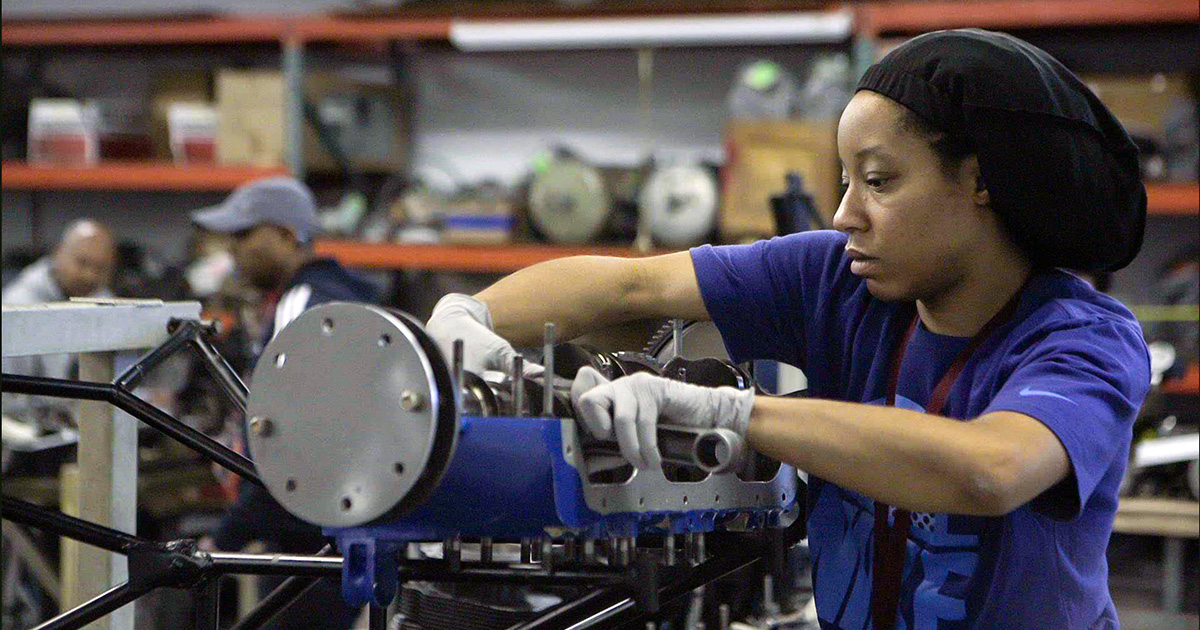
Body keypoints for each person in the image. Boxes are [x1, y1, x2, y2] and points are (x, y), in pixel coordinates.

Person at [425, 30, 1149, 629]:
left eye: (879, 181)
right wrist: (465, 322)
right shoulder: (838, 280)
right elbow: (631, 284)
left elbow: (991, 470)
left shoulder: (1083, 338)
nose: (843, 215)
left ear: (981, 182)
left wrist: (732, 413)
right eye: (844, 180)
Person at [190, 176, 376, 630]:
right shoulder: (332, 297)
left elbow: (287, 449)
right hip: (331, 529)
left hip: (315, 537)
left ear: (288, 236)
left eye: (244, 234)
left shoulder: (304, 310)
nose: (231, 249)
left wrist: (224, 537)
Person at [2, 219, 117, 427]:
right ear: (59, 252)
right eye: (82, 263)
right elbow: (11, 397)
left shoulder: (107, 303)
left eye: (100, 268)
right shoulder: (18, 306)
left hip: (85, 427)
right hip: (29, 432)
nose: (89, 275)